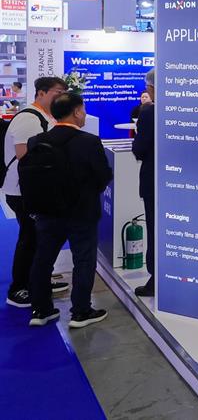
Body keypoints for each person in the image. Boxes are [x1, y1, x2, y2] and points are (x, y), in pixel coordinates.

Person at [26, 92, 113, 328]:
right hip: (82, 212)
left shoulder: (36, 141)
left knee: (43, 259)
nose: (84, 114)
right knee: (84, 260)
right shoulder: (89, 142)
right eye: (83, 110)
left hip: (47, 211)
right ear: (76, 112)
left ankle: (41, 310)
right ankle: (81, 311)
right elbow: (103, 176)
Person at [3, 76, 69, 308]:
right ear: (41, 93)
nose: (62, 97)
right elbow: (25, 156)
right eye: (58, 92)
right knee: (30, 239)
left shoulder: (44, 116)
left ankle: (37, 281)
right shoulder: (29, 119)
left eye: (65, 92)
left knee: (40, 238)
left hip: (34, 190)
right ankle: (18, 289)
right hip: (23, 192)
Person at [131, 69, 156, 297]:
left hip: (154, 179)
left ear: (150, 87)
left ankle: (156, 279)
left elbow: (139, 148)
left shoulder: (149, 112)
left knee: (155, 228)